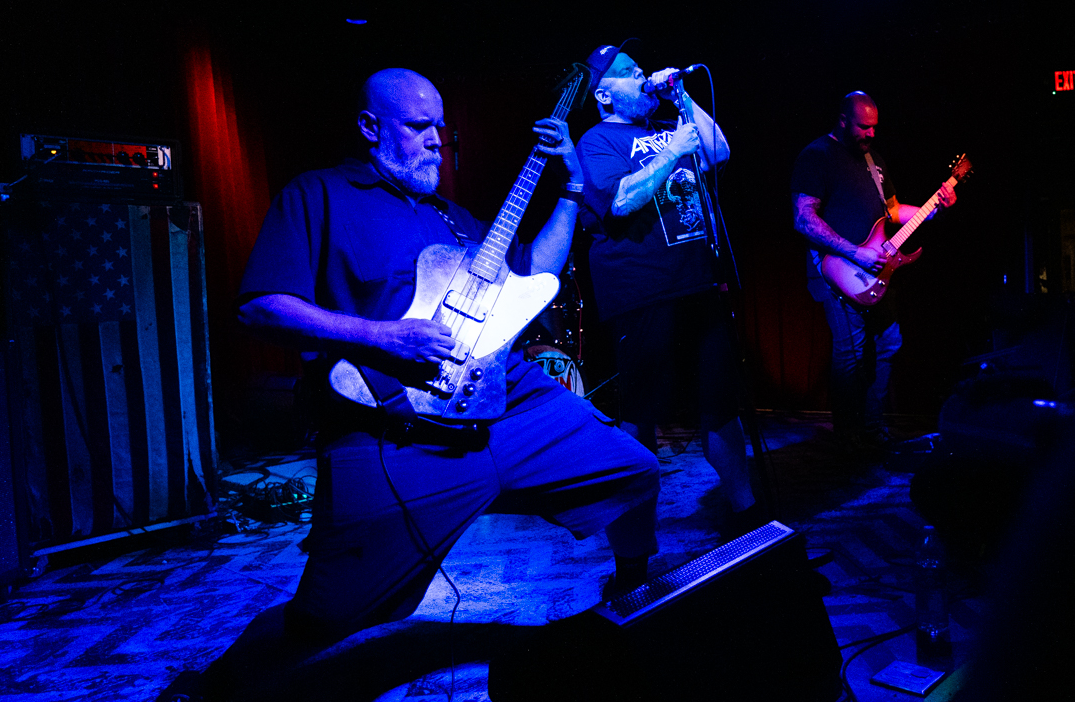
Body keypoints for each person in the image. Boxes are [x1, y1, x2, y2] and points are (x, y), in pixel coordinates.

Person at [159, 68, 660, 702]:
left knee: (634, 470)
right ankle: (211, 690)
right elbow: (262, 307)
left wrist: (570, 185)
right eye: (418, 126)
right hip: (394, 426)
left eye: (440, 129)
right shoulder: (319, 194)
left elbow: (534, 271)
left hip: (512, 406)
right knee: (329, 616)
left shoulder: (454, 217)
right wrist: (381, 336)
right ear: (371, 128)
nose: (435, 141)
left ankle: (634, 598)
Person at [575, 43, 760, 535]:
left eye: (640, 67)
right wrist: (674, 151)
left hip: (699, 283)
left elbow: (719, 151)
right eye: (628, 72)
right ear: (604, 95)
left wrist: (680, 96)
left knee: (721, 409)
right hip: (643, 293)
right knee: (641, 416)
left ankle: (748, 518)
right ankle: (634, 548)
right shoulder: (596, 140)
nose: (641, 75)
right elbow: (619, 201)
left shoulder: (668, 124)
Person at [790, 91, 956, 455]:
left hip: (877, 270)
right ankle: (847, 435)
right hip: (837, 270)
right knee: (850, 355)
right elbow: (804, 219)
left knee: (889, 343)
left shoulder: (874, 160)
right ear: (843, 121)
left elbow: (892, 211)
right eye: (864, 127)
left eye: (875, 127)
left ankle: (872, 427)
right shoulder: (817, 156)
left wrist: (935, 208)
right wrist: (855, 252)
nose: (871, 133)